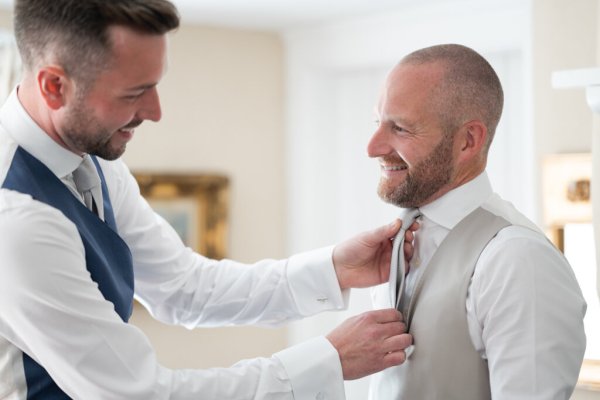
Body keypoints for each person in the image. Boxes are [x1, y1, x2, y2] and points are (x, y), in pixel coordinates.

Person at [0, 0, 415, 398]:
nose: (156, 111)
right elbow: (140, 394)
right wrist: (328, 360)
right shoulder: (18, 220)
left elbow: (184, 286)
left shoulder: (90, 152)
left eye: (156, 85)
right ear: (54, 86)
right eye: (134, 93)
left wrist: (334, 269)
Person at [367, 43, 587, 399]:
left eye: (401, 129)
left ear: (468, 141)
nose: (373, 147)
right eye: (378, 123)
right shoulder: (394, 242)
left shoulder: (517, 260)